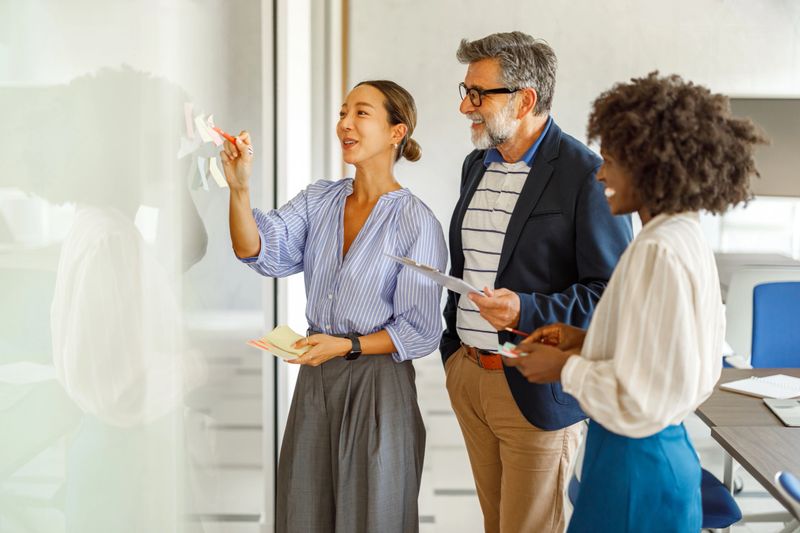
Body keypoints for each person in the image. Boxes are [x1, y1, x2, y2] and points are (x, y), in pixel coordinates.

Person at [505, 72, 767, 532]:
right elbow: (666, 361)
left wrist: (564, 367)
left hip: (636, 467)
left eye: (610, 161)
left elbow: (642, 397)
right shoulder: (682, 235)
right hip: (651, 455)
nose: (600, 174)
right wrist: (585, 341)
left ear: (649, 166)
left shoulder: (657, 250)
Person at [222, 80, 447, 533]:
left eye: (361, 113)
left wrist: (348, 346)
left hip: (378, 386)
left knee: (375, 517)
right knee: (303, 513)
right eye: (343, 112)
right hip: (316, 380)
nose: (345, 123)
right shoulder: (319, 200)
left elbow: (420, 330)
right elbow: (255, 248)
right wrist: (239, 188)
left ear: (396, 132)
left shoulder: (416, 222)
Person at [440, 31, 632, 533]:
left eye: (478, 94)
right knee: (496, 523)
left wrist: (525, 310)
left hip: (534, 384)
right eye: (465, 91)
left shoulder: (586, 174)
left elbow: (611, 296)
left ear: (524, 100)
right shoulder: (476, 165)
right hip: (469, 374)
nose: (465, 107)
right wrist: (453, 357)